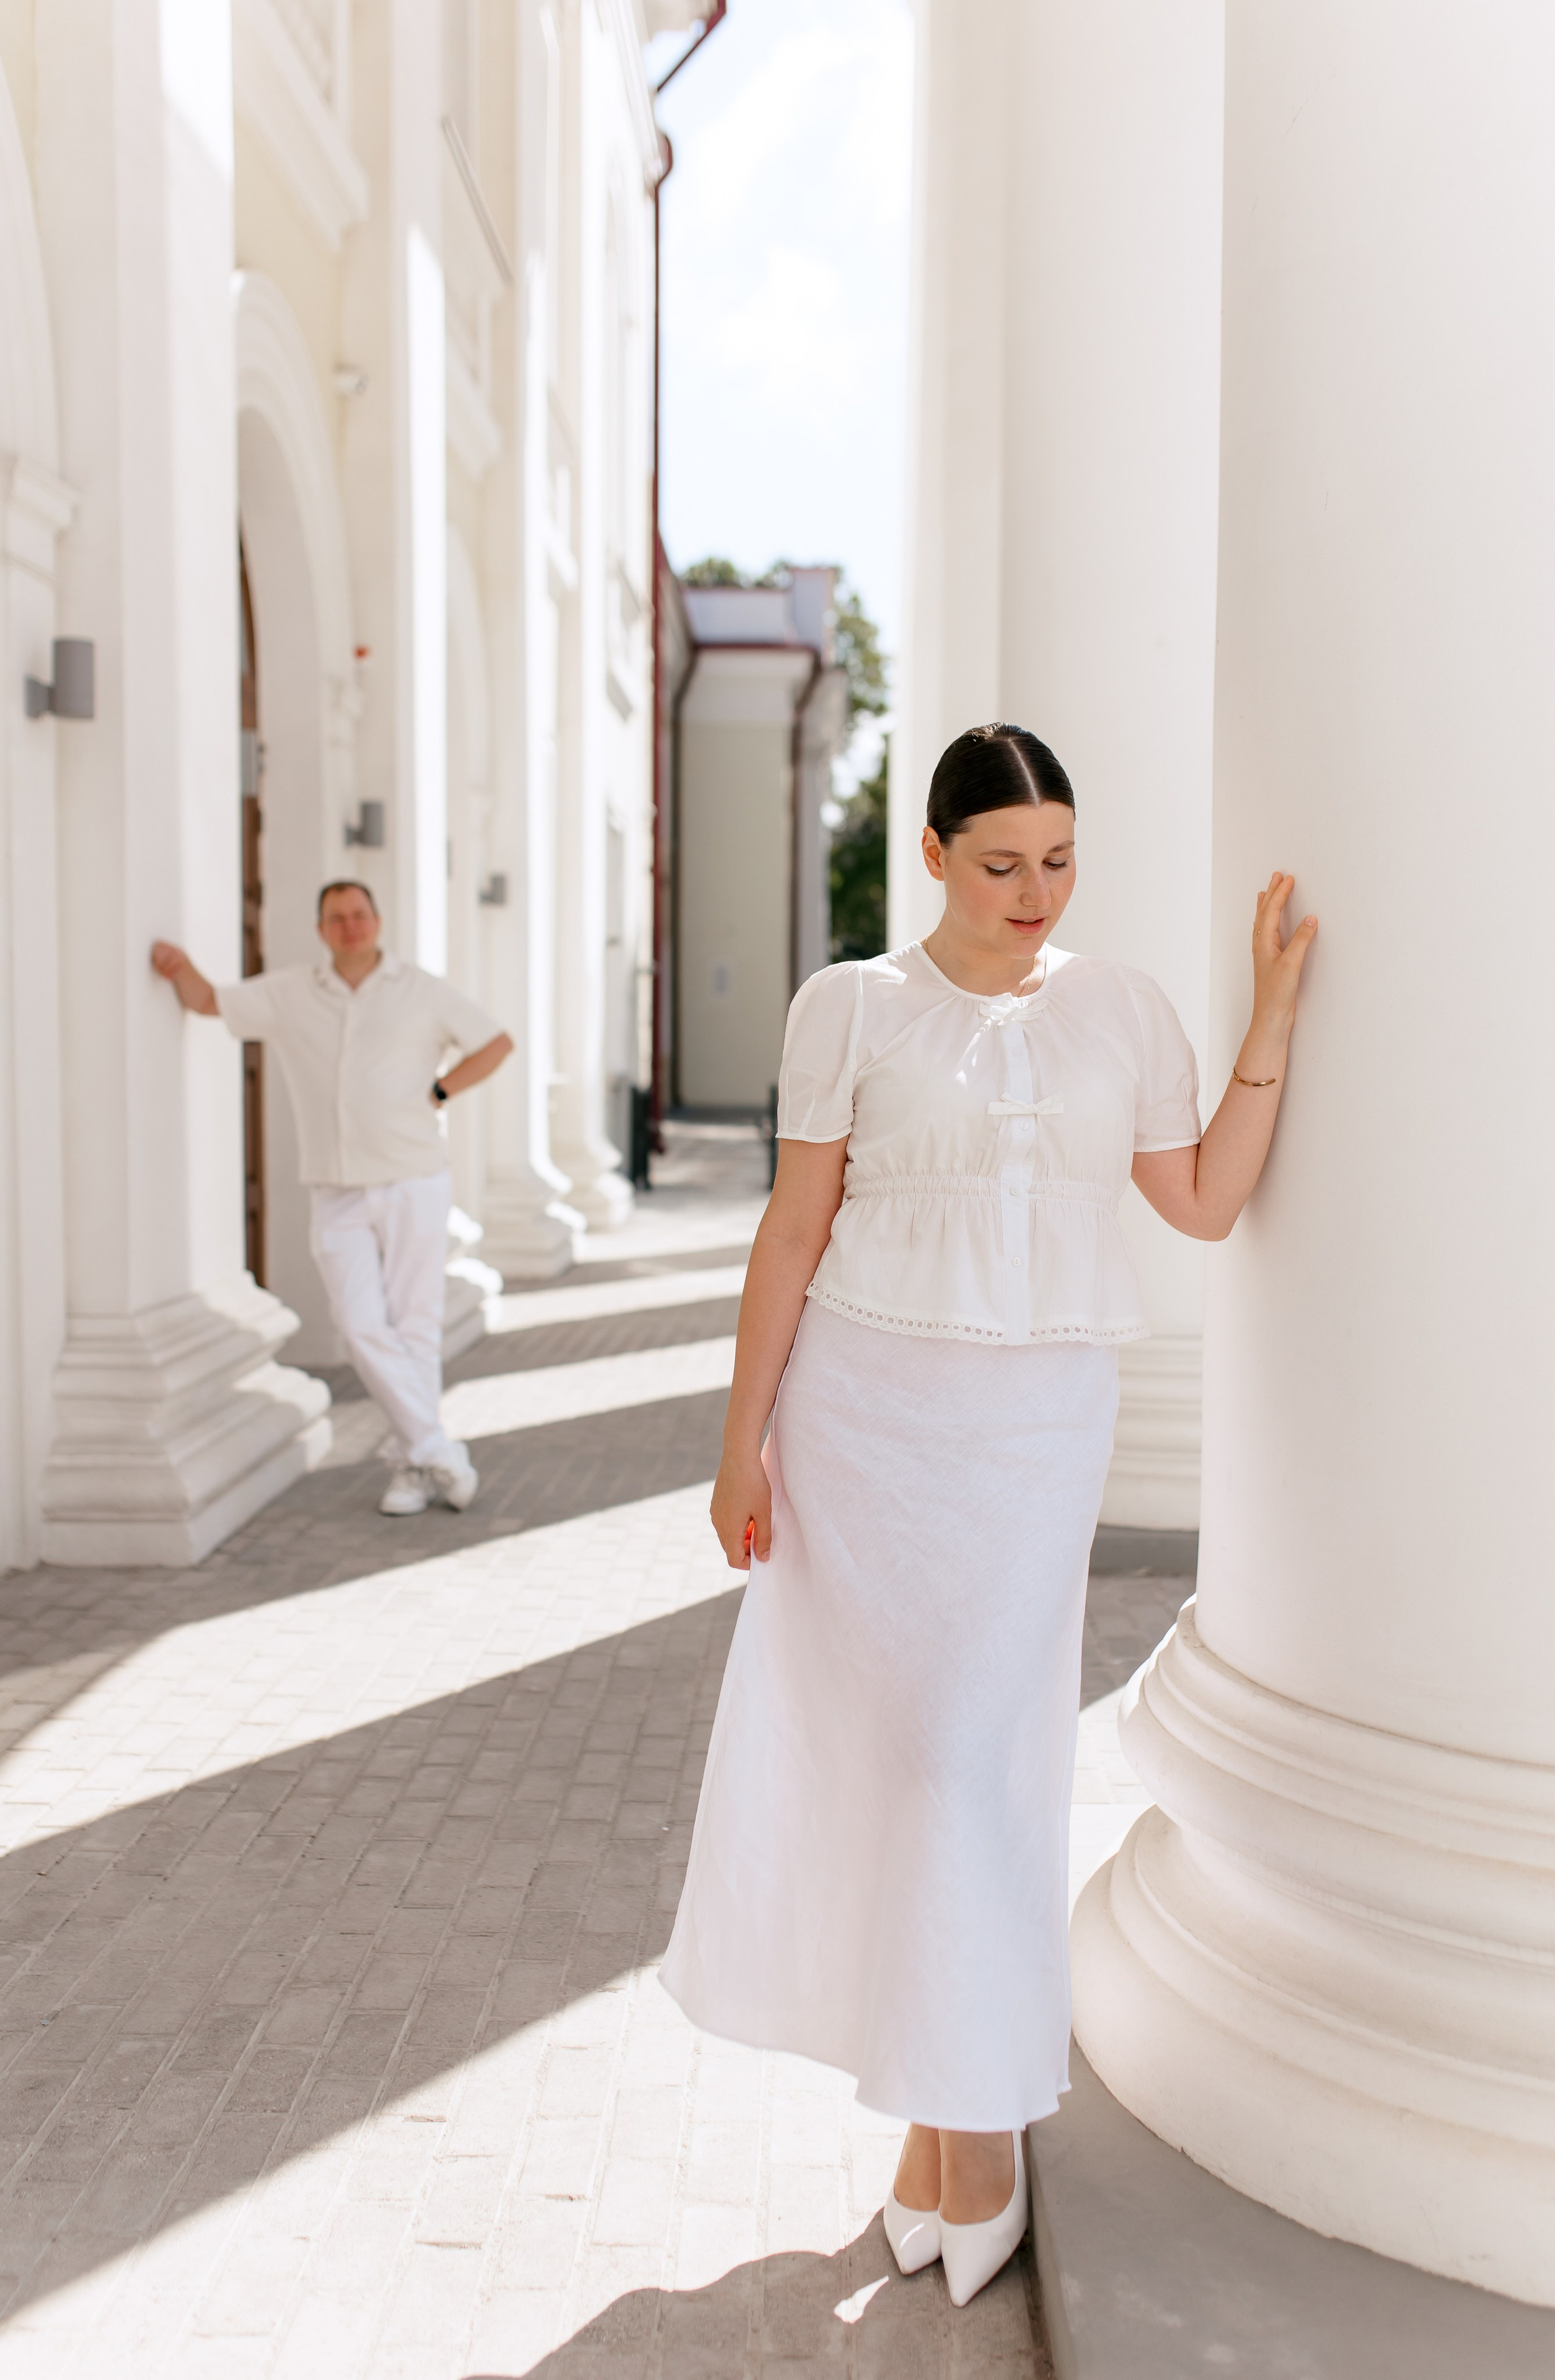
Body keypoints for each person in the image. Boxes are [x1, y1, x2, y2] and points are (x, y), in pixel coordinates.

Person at [659, 724, 1316, 2306]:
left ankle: (965, 2119)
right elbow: (793, 1224)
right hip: (864, 1414)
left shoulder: (1119, 1008)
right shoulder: (854, 1007)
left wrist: (1270, 1021)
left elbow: (1202, 1199)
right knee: (899, 1767)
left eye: (1060, 859)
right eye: (1002, 861)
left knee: (972, 1758)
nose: (1035, 892)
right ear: (937, 857)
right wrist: (738, 1441)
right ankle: (948, 2122)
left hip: (1031, 1428)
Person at [151, 880, 513, 1518]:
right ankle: (438, 1451)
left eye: (359, 915)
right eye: (336, 918)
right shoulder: (293, 992)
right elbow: (210, 1002)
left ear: (377, 921)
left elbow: (496, 1043)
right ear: (321, 930)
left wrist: (440, 1092)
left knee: (415, 1328)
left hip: (413, 1178)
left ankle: (412, 1467)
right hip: (336, 1188)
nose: (350, 927)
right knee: (358, 1324)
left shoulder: (420, 990)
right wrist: (178, 967)